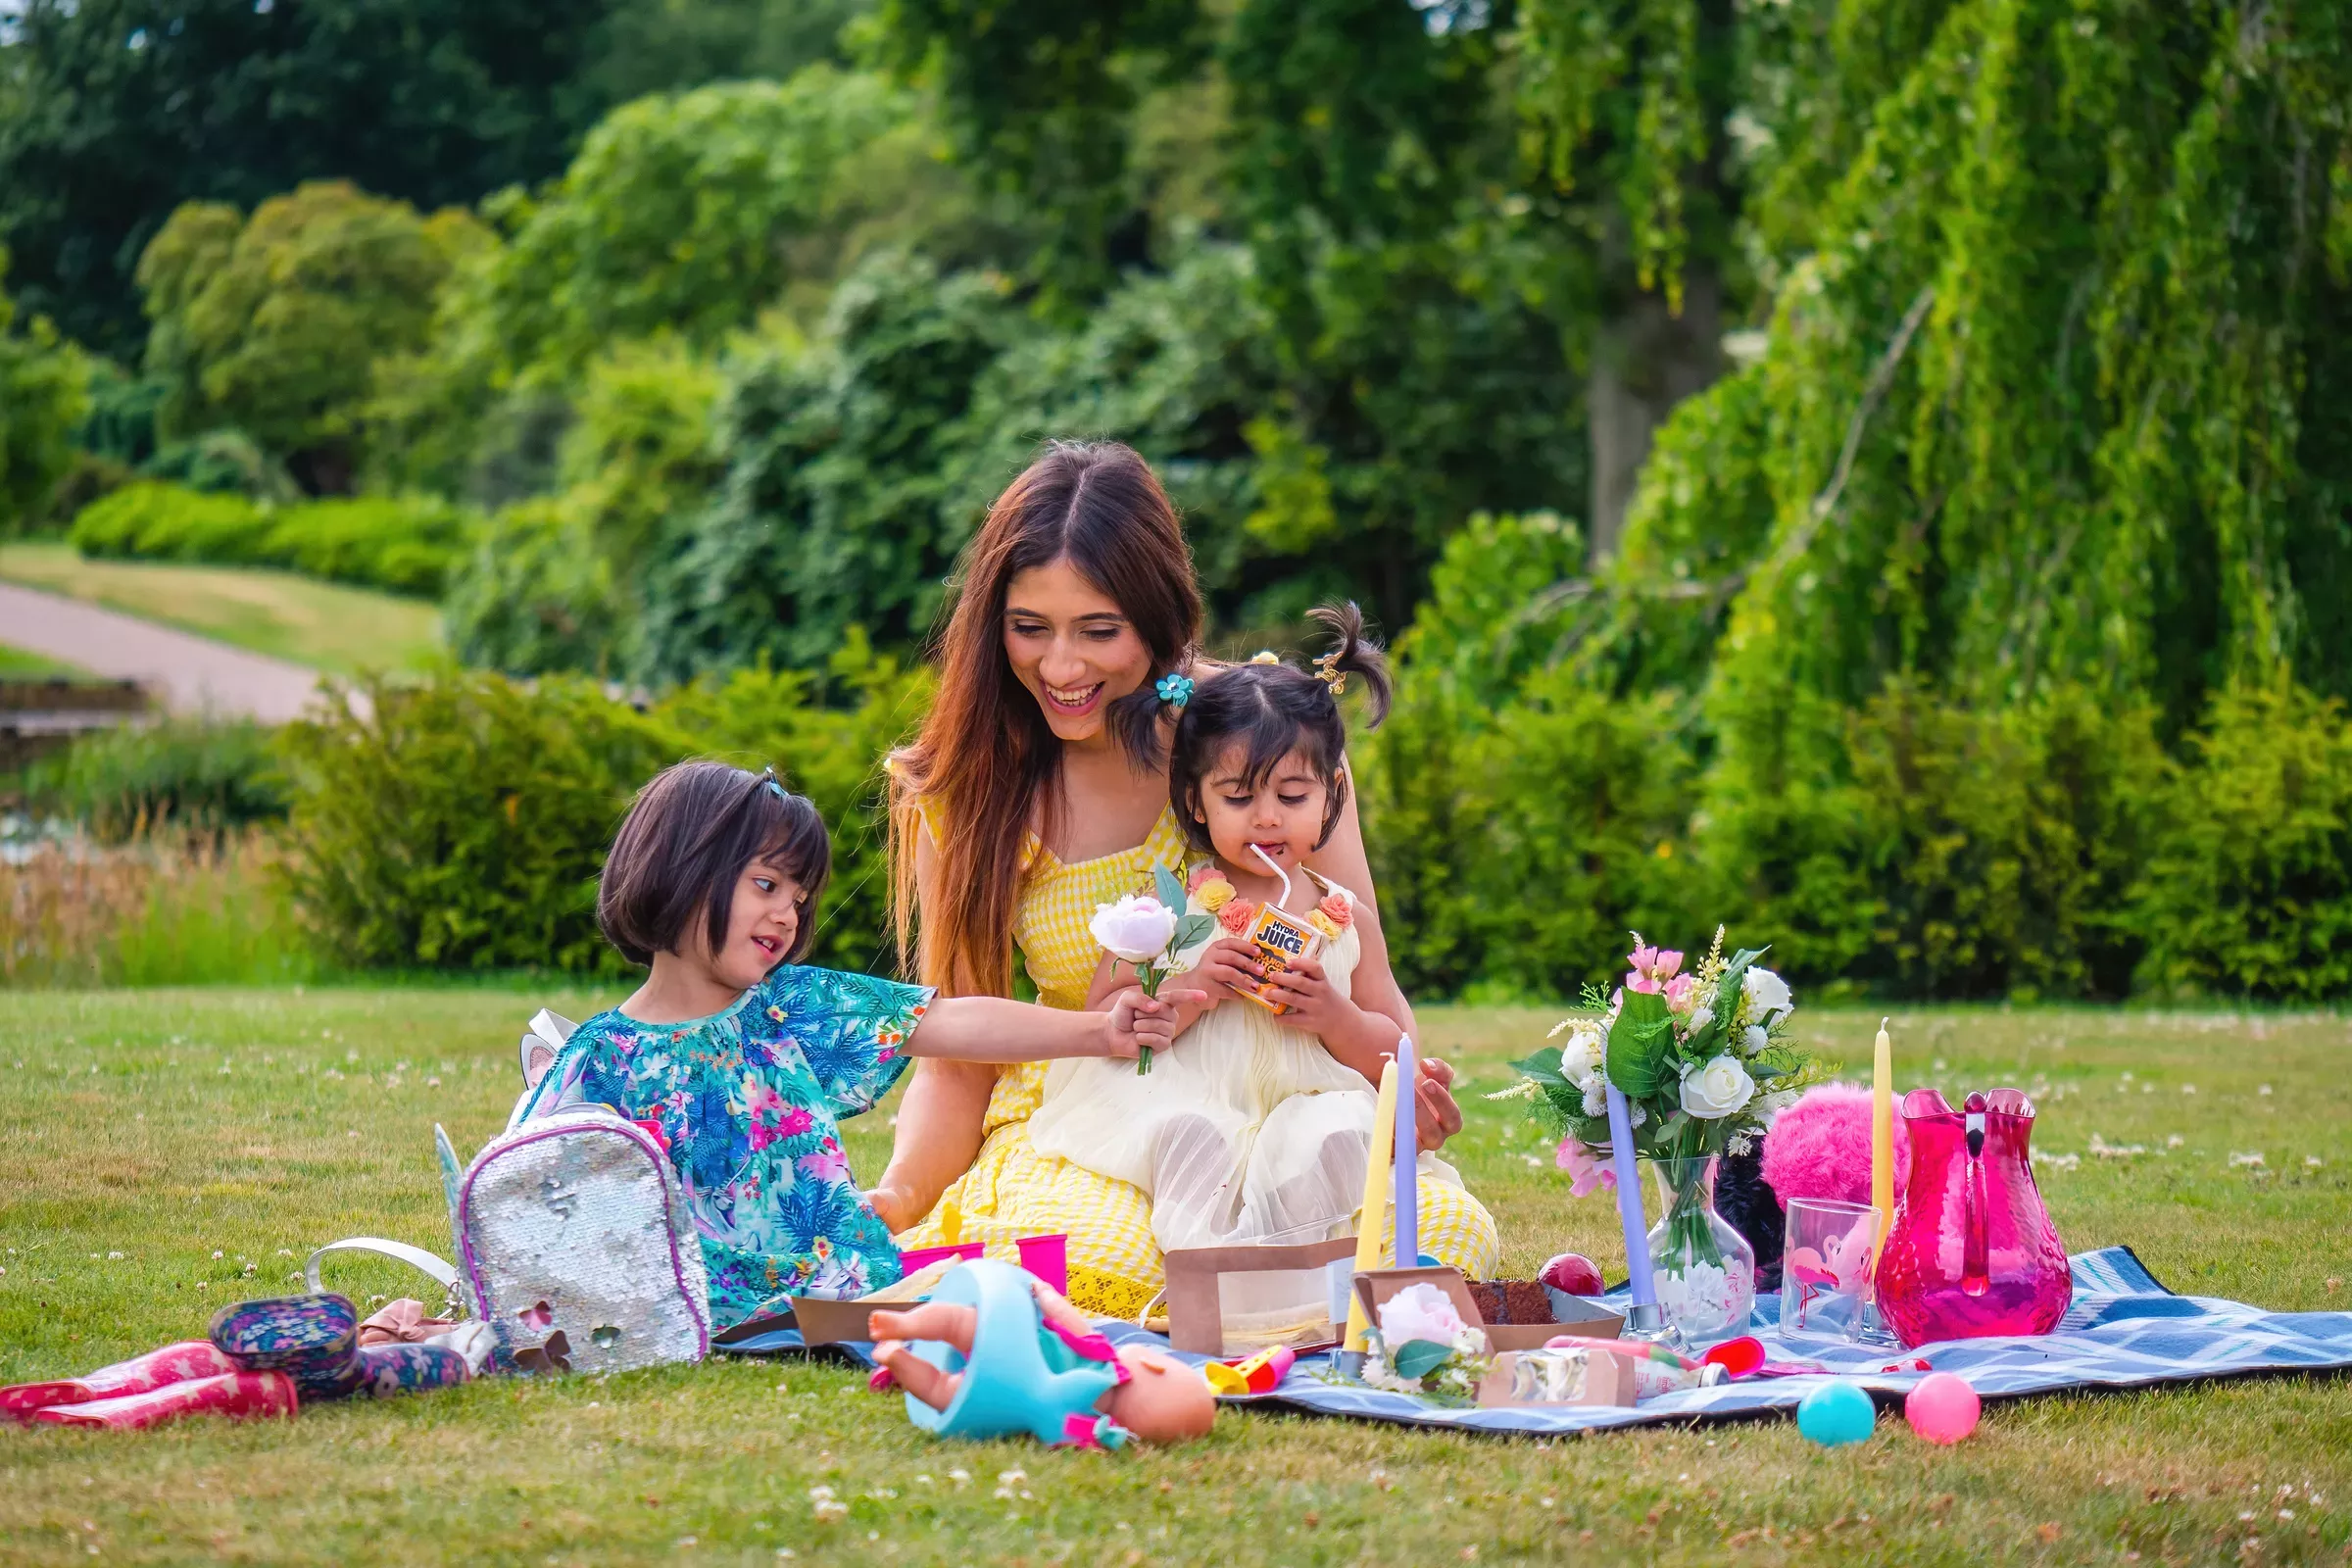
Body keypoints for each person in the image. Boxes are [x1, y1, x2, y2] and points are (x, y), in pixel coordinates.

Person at [875, 440, 1498, 1319]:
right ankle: (1261, 1299)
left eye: (1100, 631)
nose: (1061, 668)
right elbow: (962, 1056)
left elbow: (1362, 969)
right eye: (1030, 628)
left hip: (1290, 1112)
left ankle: (1269, 1293)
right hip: (1105, 1126)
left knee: (1440, 1239)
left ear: (1160, 616)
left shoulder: (1263, 740)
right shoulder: (961, 791)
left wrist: (1407, 1092)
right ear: (992, 625)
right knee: (1100, 1262)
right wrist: (900, 1197)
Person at [515, 760, 1194, 1329]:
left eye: (799, 897)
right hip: (690, 1297)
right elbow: (526, 1197)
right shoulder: (603, 1056)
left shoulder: (789, 1007)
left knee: (1027, 1281)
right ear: (679, 868)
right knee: (991, 1299)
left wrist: (1098, 1031)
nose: (787, 913)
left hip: (838, 1281)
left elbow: (951, 1023)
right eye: (766, 885)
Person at [1024, 607, 1481, 1330]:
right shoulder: (1172, 902)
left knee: (1334, 1139)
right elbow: (1106, 1001)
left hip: (1307, 1099)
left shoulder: (1344, 916)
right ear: (1197, 806)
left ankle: (1299, 1305)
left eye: (1291, 797)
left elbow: (1394, 1048)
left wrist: (1333, 1015)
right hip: (1191, 1096)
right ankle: (1206, 1297)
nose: (1266, 819)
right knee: (1191, 1139)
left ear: (1331, 793)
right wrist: (1190, 985)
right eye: (1238, 798)